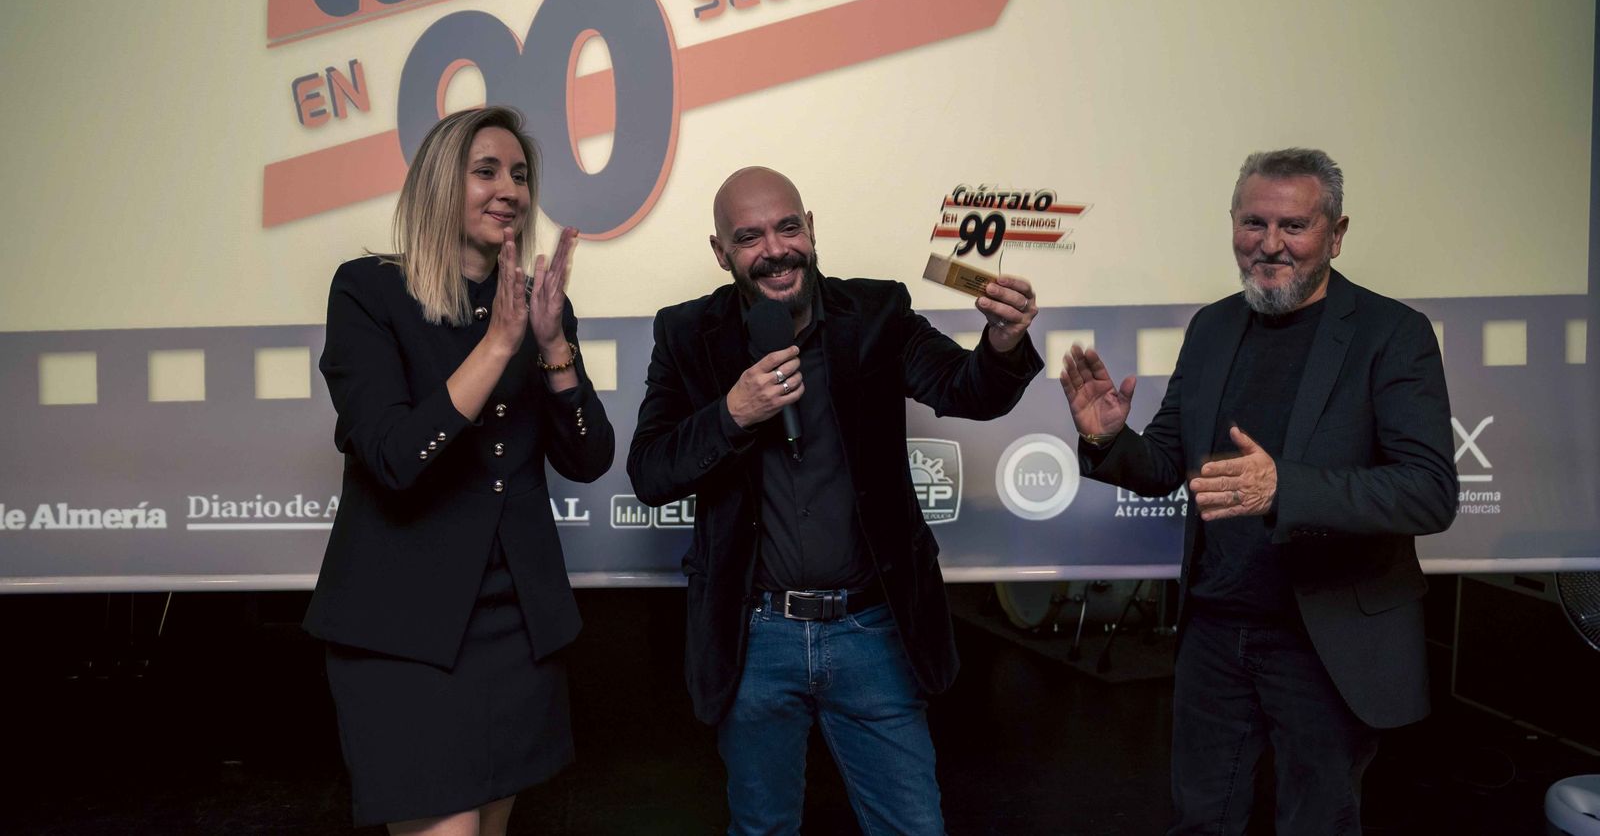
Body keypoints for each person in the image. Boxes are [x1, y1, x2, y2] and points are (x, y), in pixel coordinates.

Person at [628, 166, 1042, 835]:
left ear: (811, 230)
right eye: (750, 237)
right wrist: (734, 412)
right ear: (721, 252)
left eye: (788, 227)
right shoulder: (686, 333)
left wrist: (1000, 342)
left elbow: (970, 390)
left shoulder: (875, 313)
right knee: (762, 828)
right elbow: (650, 471)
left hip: (871, 632)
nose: (775, 249)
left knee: (913, 827)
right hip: (755, 635)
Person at [1059, 148, 1457, 835]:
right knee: (1199, 820)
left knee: (1316, 823)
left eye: (1293, 226)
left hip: (1324, 640)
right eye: (1253, 223)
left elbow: (1428, 492)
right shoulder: (1212, 326)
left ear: (1336, 233)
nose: (1269, 245)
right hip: (1215, 632)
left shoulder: (1394, 335)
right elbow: (1165, 466)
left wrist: (1284, 488)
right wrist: (1106, 441)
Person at [304, 105, 615, 835]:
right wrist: (502, 346)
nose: (509, 188)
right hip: (401, 632)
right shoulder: (368, 290)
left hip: (516, 626)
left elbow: (589, 457)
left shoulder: (539, 307)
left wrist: (551, 346)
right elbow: (394, 458)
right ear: (442, 183)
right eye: (486, 171)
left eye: (520, 174)